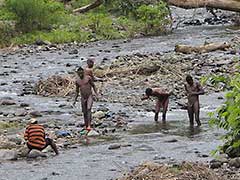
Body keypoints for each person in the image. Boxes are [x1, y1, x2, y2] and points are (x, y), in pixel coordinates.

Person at [73, 67, 98, 132]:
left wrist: (96, 94)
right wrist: (74, 100)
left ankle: (89, 125)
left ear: (83, 72)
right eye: (79, 73)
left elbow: (93, 85)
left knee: (89, 109)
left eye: (81, 73)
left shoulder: (88, 78)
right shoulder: (77, 81)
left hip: (89, 96)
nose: (80, 74)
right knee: (84, 112)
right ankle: (86, 125)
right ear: (77, 73)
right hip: (83, 97)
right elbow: (77, 91)